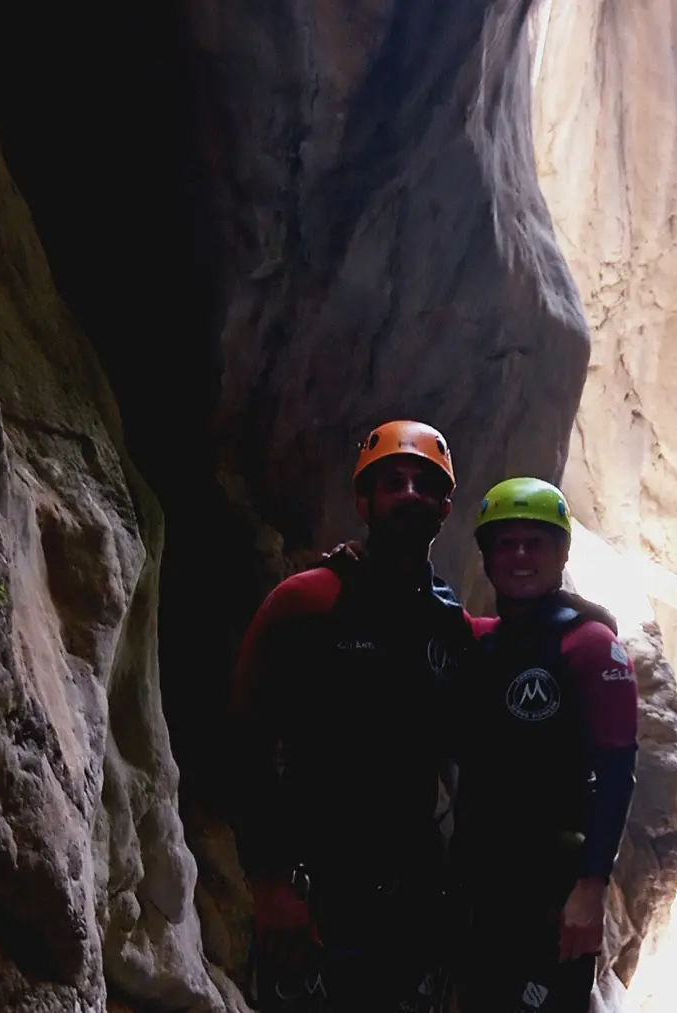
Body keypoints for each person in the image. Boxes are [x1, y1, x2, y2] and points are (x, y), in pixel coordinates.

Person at [227, 420, 479, 1013]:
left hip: (411, 901)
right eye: (394, 482)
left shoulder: (450, 626)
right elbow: (244, 744)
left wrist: (580, 612)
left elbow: (516, 646)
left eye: (425, 485)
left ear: (445, 509)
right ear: (364, 502)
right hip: (315, 898)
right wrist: (270, 885)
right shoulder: (307, 603)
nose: (410, 494)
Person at [452, 477, 641, 1013]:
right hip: (482, 877)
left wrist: (592, 885)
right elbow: (414, 608)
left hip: (554, 886)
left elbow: (617, 771)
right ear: (487, 557)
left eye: (534, 543)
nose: (519, 556)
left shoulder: (591, 645)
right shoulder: (482, 641)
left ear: (561, 553)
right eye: (505, 544)